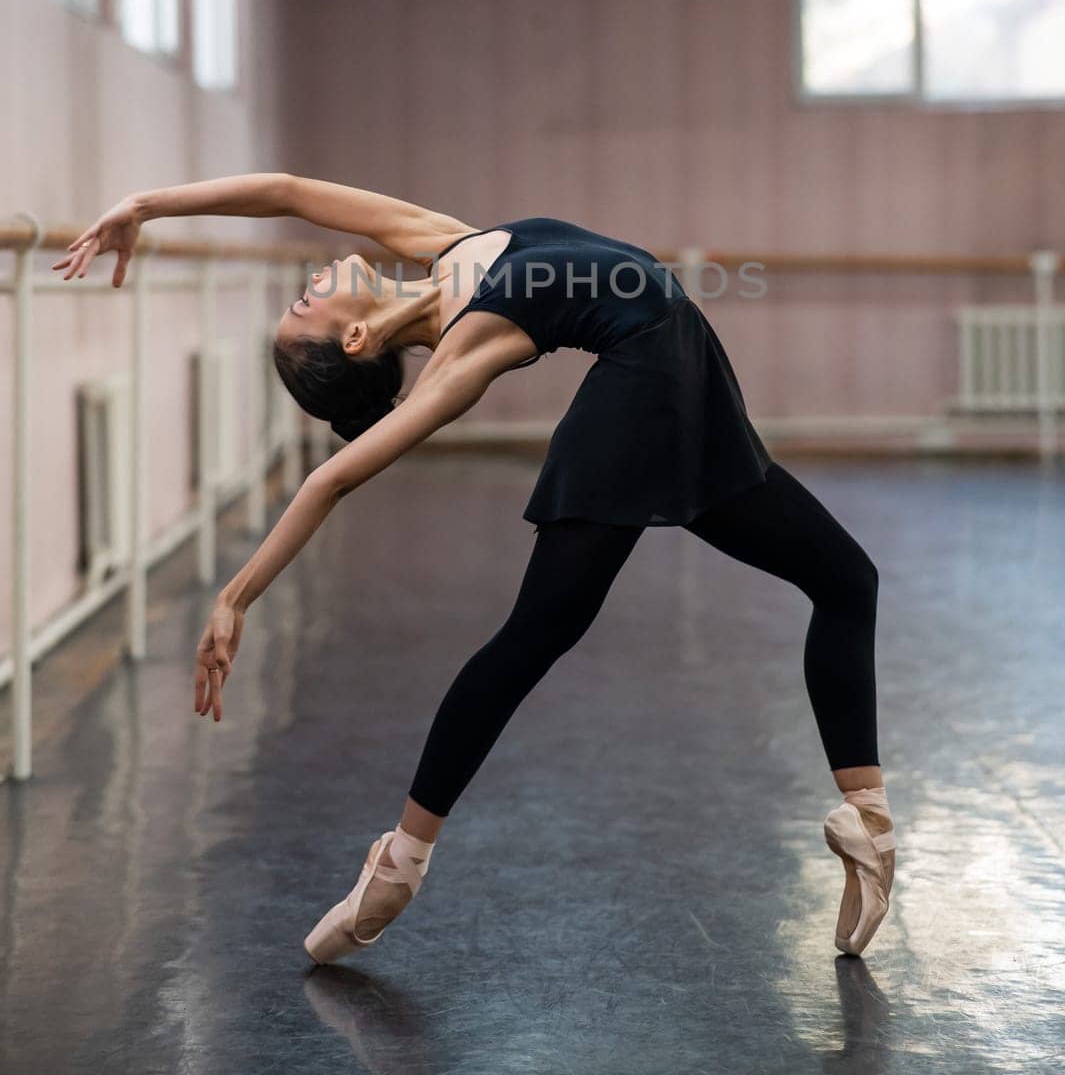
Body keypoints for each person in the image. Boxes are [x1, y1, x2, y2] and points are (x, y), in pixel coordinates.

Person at [53, 172, 896, 962]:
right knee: (531, 638)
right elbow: (332, 477)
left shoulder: (448, 248)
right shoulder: (464, 350)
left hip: (687, 392)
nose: (304, 284)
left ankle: (869, 827)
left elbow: (287, 191)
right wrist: (236, 597)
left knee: (845, 581)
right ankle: (401, 862)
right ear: (352, 340)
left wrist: (148, 206)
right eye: (302, 306)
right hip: (644, 390)